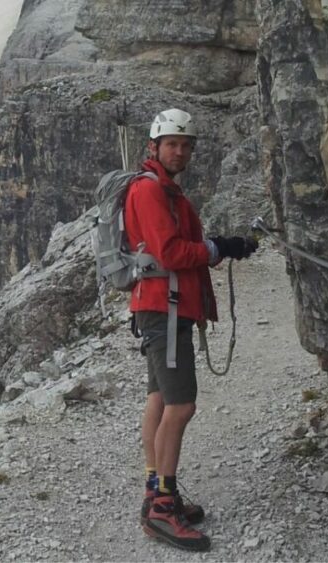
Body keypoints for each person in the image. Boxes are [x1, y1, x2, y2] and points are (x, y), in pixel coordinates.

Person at [124, 108, 258, 551]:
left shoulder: (161, 189)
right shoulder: (151, 192)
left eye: (186, 145)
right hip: (167, 309)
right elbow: (171, 252)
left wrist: (217, 247)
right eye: (172, 144)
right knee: (181, 407)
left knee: (160, 399)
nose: (180, 151)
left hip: (161, 307)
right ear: (155, 147)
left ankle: (156, 488)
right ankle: (162, 505)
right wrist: (222, 247)